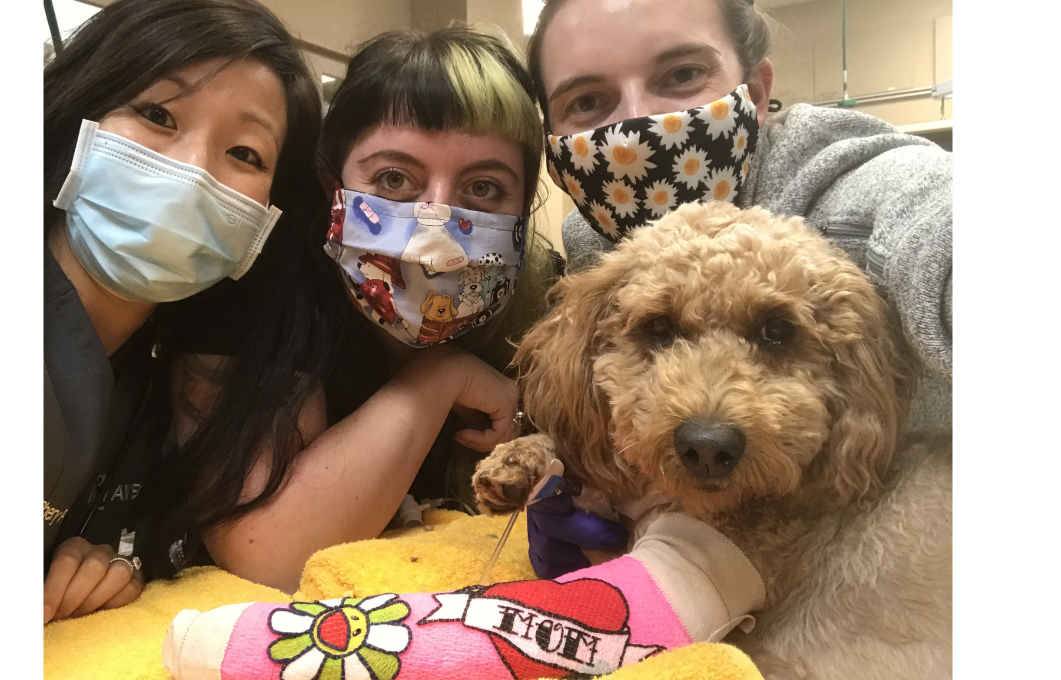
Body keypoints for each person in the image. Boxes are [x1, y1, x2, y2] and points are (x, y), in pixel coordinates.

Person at [519, 0, 952, 578]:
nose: (637, 127)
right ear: (553, 147)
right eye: (588, 102)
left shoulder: (860, 186)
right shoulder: (597, 244)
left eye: (680, 75)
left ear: (757, 89)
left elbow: (931, 221)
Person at [137, 27, 564, 595]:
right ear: (331, 185)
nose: (435, 223)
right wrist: (439, 378)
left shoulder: (539, 293)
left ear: (522, 210)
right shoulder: (263, 276)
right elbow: (270, 552)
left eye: (484, 187)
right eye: (393, 179)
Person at [43, 0, 324, 623]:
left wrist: (98, 571)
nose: (191, 170)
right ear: (79, 117)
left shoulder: (156, 377)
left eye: (246, 154)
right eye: (156, 114)